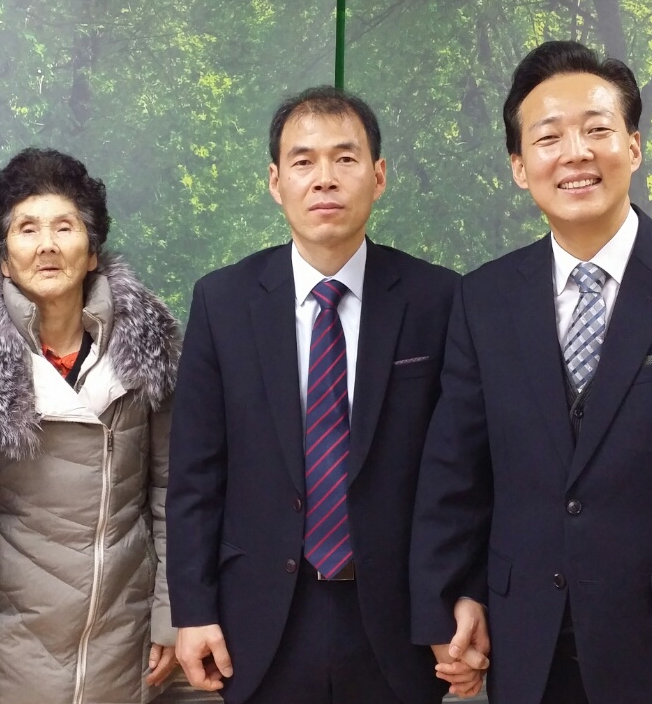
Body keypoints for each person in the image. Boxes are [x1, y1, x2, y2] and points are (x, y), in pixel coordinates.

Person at [409, 39, 652, 704]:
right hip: (527, 649)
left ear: (633, 147)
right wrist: (453, 596)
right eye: (548, 137)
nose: (575, 153)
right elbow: (455, 475)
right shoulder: (484, 299)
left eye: (597, 130)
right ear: (519, 167)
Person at [166, 85, 474, 704]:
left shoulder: (438, 299)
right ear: (275, 181)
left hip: (401, 622)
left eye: (345, 158)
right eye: (303, 161)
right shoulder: (223, 302)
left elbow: (464, 471)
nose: (324, 179)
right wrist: (193, 609)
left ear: (378, 176)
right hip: (260, 620)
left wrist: (461, 595)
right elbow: (195, 474)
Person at [0, 147, 182, 704]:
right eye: (27, 229)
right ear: (5, 259)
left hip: (122, 637)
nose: (46, 244)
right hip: (5, 644)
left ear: (92, 252)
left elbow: (172, 491)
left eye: (64, 227)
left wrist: (170, 611)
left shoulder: (149, 351)